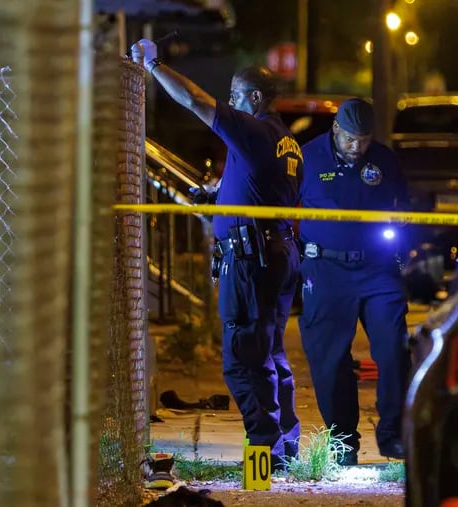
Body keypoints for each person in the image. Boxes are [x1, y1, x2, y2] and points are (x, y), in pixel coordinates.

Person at [131, 39, 303, 470]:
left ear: (256, 98)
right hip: (277, 253)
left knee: (242, 361)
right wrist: (217, 193)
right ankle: (287, 440)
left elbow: (194, 99)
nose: (230, 102)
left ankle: (266, 453)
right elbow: (264, 191)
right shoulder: (287, 142)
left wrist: (153, 64)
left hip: (252, 260)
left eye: (236, 95)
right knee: (270, 352)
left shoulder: (254, 129)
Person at [297, 98, 410, 465]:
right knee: (329, 360)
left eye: (363, 140)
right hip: (326, 269)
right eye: (349, 139)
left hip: (377, 268)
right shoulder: (308, 158)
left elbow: (403, 207)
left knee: (394, 349)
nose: (356, 147)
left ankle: (392, 433)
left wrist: (406, 246)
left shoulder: (384, 159)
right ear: (335, 130)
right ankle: (343, 441)